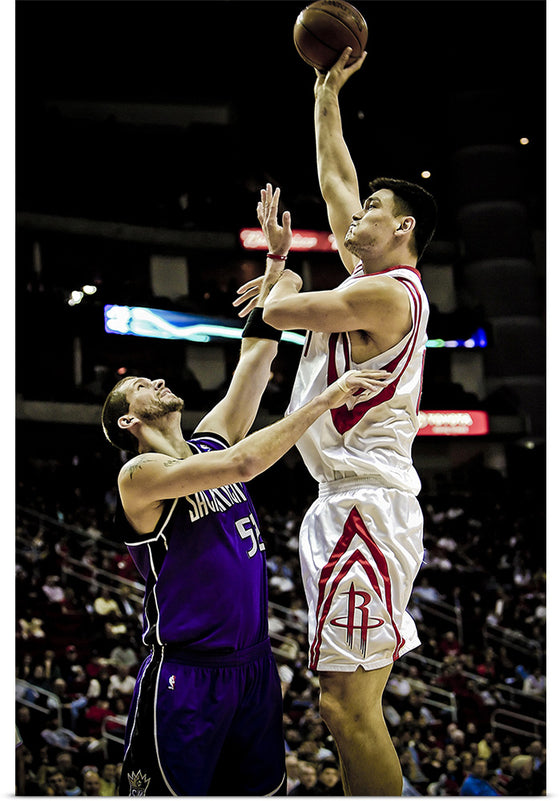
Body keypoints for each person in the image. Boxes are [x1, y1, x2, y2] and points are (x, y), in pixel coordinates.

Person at [101, 236, 388, 796]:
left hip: (253, 666)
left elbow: (256, 356)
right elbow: (247, 462)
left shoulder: (208, 442)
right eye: (140, 387)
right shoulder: (139, 477)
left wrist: (276, 264)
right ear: (129, 423)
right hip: (187, 674)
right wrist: (324, 400)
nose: (157, 381)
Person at [234, 46, 437, 797]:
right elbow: (334, 176)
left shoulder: (389, 295)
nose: (357, 216)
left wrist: (280, 265)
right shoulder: (370, 274)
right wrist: (325, 94)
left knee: (349, 709)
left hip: (366, 503)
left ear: (404, 227)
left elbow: (278, 308)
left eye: (373, 213)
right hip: (343, 499)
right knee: (338, 708)